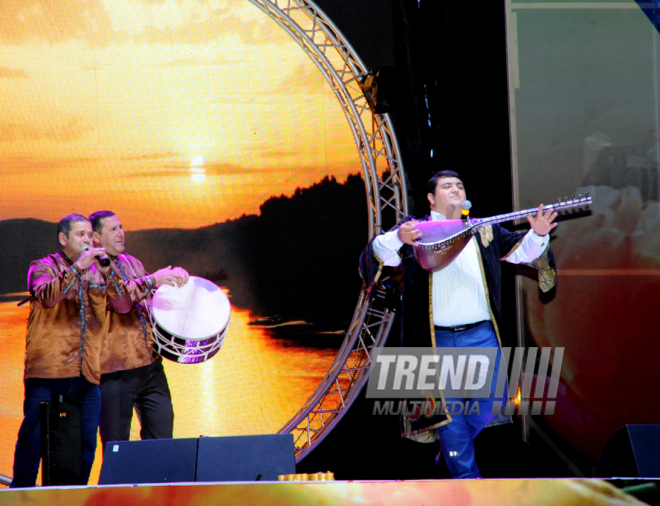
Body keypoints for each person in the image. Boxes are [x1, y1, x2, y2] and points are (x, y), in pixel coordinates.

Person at [359, 170, 557, 479]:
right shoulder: (416, 231)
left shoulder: (483, 230)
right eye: (447, 186)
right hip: (435, 342)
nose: (455, 189)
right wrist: (398, 238)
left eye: (460, 185)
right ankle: (467, 482)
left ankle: (445, 461)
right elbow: (380, 256)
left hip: (481, 337)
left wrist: (539, 235)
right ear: (430, 197)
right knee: (449, 416)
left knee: (490, 409)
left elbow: (523, 253)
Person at [11, 214, 130, 488]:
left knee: (86, 443)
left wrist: (109, 271)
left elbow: (122, 304)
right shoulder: (41, 267)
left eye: (90, 235)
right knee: (34, 437)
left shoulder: (99, 270)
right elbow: (48, 296)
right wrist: (78, 268)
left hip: (86, 374)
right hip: (47, 373)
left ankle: (71, 495)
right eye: (80, 235)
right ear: (64, 239)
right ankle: (21, 493)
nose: (88, 240)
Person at [89, 210, 188, 449]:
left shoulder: (131, 262)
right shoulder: (91, 271)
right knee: (117, 448)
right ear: (95, 237)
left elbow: (148, 298)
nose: (121, 233)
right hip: (115, 373)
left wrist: (174, 279)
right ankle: (115, 488)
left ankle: (156, 486)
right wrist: (153, 280)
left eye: (121, 227)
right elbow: (121, 301)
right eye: (113, 229)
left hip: (151, 367)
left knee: (162, 441)